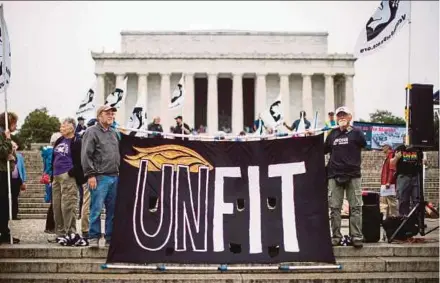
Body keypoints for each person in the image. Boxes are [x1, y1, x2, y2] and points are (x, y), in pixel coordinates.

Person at [325, 106, 366, 248]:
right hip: (334, 175)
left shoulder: (357, 133)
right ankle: (336, 236)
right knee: (334, 208)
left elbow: (363, 144)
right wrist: (310, 137)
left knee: (355, 207)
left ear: (350, 117)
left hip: (353, 175)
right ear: (336, 118)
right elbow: (323, 150)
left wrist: (347, 130)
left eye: (344, 115)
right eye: (339, 115)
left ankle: (356, 236)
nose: (341, 117)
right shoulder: (332, 134)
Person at [81, 105, 120, 248]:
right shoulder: (91, 132)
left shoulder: (114, 133)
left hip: (115, 177)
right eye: (107, 113)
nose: (111, 116)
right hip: (99, 177)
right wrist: (90, 175)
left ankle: (110, 238)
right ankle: (94, 237)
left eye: (112, 114)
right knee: (96, 208)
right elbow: (86, 155)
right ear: (99, 116)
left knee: (113, 210)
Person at [50, 118, 86, 245]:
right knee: (57, 206)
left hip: (68, 175)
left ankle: (70, 232)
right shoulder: (59, 140)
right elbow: (54, 157)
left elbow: (81, 159)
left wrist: (72, 172)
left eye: (64, 125)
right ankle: (60, 233)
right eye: (61, 125)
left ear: (72, 127)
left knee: (68, 205)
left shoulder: (77, 141)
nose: (61, 127)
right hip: (56, 176)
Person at [0, 111, 20, 244]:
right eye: (14, 123)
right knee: (2, 204)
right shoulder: (2, 134)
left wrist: (12, 154)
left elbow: (11, 156)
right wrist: (7, 140)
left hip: (5, 171)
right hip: (0, 172)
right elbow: (1, 151)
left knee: (5, 204)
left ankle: (5, 231)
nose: (16, 126)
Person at [390, 139, 423, 216]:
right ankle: (403, 220)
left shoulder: (417, 148)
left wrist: (423, 162)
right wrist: (396, 158)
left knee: (417, 200)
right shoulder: (400, 148)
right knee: (403, 200)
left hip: (415, 177)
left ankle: (416, 220)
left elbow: (421, 161)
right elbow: (391, 162)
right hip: (403, 177)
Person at [42, 132, 62, 234]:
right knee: (54, 203)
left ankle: (50, 226)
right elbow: (51, 165)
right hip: (53, 178)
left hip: (49, 178)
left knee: (53, 203)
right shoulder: (51, 151)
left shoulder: (47, 151)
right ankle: (50, 226)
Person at [380, 142, 398, 219]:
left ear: (388, 147)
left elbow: (392, 170)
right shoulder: (388, 156)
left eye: (383, 146)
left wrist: (389, 182)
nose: (382, 148)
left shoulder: (391, 155)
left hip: (389, 184)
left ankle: (394, 218)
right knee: (384, 203)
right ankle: (386, 219)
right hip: (385, 183)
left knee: (392, 202)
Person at [11, 141, 27, 220]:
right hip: (8, 179)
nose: (13, 148)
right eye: (12, 146)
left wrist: (24, 180)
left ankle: (14, 214)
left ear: (16, 147)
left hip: (17, 180)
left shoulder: (19, 156)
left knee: (15, 197)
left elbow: (23, 169)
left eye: (14, 146)